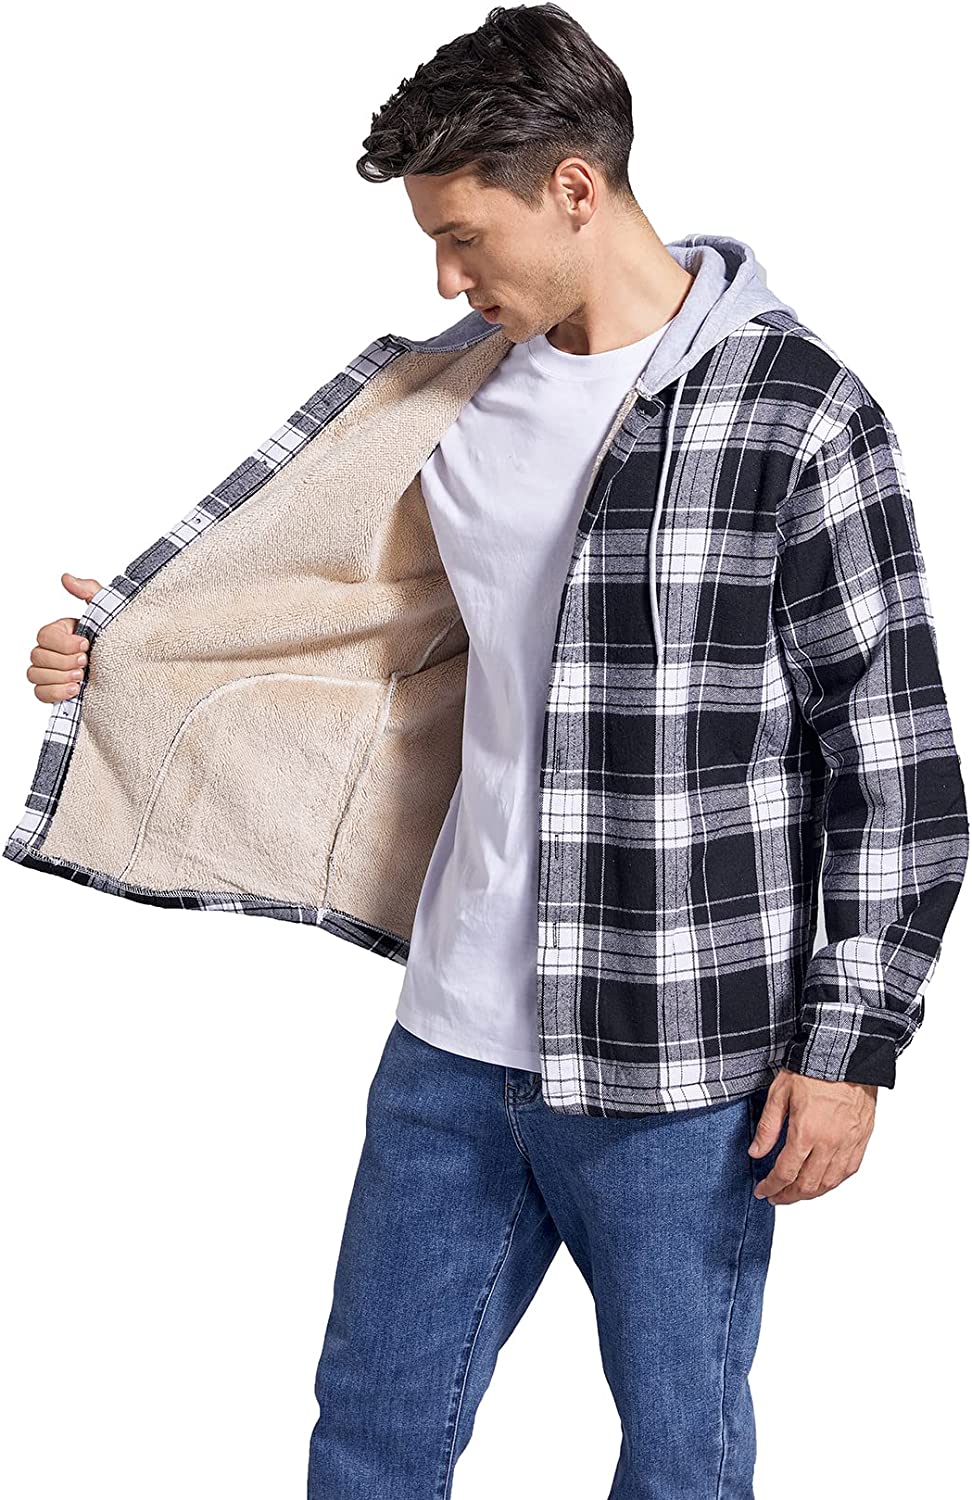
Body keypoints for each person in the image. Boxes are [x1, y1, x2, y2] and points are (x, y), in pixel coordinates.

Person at [20, 6, 969, 1497]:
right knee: (371, 1443)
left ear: (575, 188)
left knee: (681, 1457)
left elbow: (897, 763)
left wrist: (849, 1054)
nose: (447, 279)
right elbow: (330, 612)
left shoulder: (798, 416)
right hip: (451, 1039)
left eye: (464, 237)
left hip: (680, 1059)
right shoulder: (445, 395)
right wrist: (124, 655)